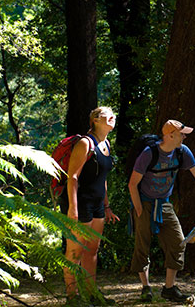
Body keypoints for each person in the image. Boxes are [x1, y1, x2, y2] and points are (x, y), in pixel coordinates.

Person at [127, 119, 195, 302]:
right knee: (142, 245)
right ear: (170, 135)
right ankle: (145, 288)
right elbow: (132, 183)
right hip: (144, 203)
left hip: (164, 203)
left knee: (178, 242)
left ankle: (169, 288)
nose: (184, 137)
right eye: (182, 134)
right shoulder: (149, 153)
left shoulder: (182, 152)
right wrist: (138, 209)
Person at [61, 107, 120, 306]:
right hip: (81, 203)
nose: (113, 116)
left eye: (114, 114)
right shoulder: (85, 143)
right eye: (107, 114)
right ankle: (72, 297)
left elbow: (102, 178)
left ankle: (90, 293)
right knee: (75, 252)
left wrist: (107, 205)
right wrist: (72, 208)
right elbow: (73, 177)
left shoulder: (106, 144)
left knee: (92, 250)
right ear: (95, 119)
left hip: (98, 206)